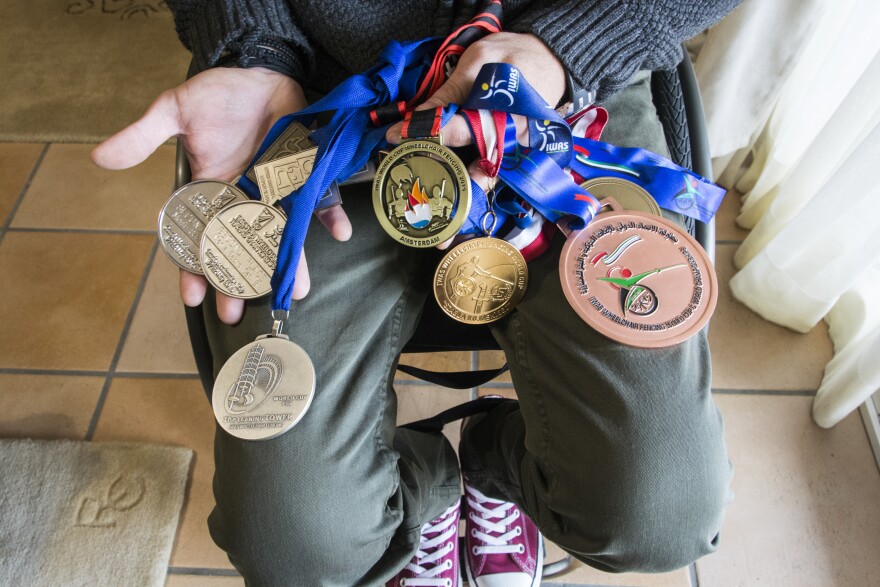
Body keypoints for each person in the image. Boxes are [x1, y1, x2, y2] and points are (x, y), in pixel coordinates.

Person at [93, 1, 740, 585]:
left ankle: (496, 466)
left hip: (564, 89)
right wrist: (257, 48)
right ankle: (427, 489)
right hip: (325, 102)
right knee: (291, 544)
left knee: (660, 512)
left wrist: (578, 43)